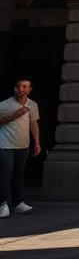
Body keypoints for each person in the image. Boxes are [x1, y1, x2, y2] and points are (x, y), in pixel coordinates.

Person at [0, 77, 41, 219]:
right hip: (5, 145)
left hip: (23, 146)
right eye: (19, 86)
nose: (21, 89)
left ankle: (18, 203)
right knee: (6, 173)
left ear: (29, 90)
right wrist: (13, 115)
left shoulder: (32, 105)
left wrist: (37, 142)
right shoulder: (4, 105)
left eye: (25, 87)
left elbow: (33, 123)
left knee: (18, 174)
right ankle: (3, 204)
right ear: (14, 89)